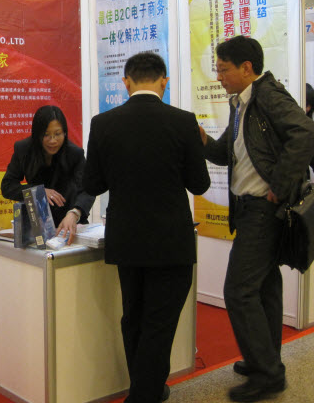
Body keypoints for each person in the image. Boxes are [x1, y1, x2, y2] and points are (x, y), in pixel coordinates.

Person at [83, 52, 210, 403]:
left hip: (126, 239)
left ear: (126, 82)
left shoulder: (103, 123)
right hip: (171, 241)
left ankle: (146, 389)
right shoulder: (183, 122)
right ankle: (144, 395)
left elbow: (92, 184)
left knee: (134, 318)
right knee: (159, 324)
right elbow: (199, 184)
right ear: (163, 81)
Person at [199, 36, 314, 402]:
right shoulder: (241, 103)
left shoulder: (267, 95)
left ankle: (267, 374)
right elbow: (225, 153)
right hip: (249, 209)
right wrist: (200, 138)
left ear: (247, 68)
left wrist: (280, 185)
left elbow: (306, 132)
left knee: (239, 290)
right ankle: (264, 360)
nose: (219, 77)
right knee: (264, 287)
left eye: (223, 69)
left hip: (263, 210)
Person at [1, 105, 95, 243]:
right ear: (37, 134)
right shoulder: (24, 149)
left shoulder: (74, 153)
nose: (53, 140)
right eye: (46, 135)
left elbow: (88, 190)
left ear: (65, 133)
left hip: (69, 224)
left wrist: (75, 213)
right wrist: (38, 191)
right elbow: (7, 186)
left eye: (57, 134)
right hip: (38, 227)